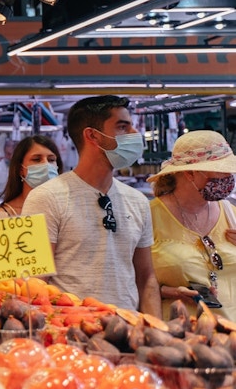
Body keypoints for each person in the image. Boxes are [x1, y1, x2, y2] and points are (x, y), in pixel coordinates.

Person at [22, 95, 160, 314]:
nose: (135, 134)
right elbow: (31, 282)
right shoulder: (45, 198)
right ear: (93, 136)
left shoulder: (139, 201)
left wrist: (157, 330)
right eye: (123, 127)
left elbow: (146, 278)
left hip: (128, 330)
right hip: (70, 333)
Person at [148, 130, 236, 313]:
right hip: (181, 331)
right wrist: (167, 292)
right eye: (221, 170)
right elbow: (127, 280)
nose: (229, 177)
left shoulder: (231, 214)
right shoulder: (149, 216)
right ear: (190, 173)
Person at [0, 135, 63, 219]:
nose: (46, 164)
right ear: (20, 169)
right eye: (36, 159)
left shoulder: (64, 211)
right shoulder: (2, 215)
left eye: (51, 160)